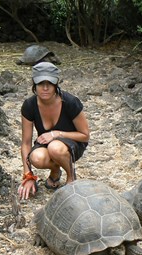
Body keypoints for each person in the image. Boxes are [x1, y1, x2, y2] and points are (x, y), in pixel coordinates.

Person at [18, 62, 90, 200]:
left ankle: (71, 177)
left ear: (56, 84)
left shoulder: (70, 102)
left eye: (49, 84)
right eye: (40, 83)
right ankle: (55, 170)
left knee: (55, 147)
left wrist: (56, 134)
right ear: (34, 84)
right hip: (46, 143)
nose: (45, 88)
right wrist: (28, 175)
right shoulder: (29, 105)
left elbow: (85, 136)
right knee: (36, 157)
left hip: (73, 144)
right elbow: (26, 143)